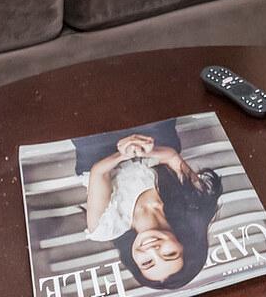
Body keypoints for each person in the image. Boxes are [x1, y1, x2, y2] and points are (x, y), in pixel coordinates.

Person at [72, 120, 222, 290]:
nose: (153, 250)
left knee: (89, 135)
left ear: (135, 262)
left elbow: (99, 172)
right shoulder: (194, 201)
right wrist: (148, 150)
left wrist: (124, 154)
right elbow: (171, 156)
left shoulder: (104, 228)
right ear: (185, 245)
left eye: (147, 262)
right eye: (169, 254)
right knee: (157, 124)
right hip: (154, 143)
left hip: (99, 154)